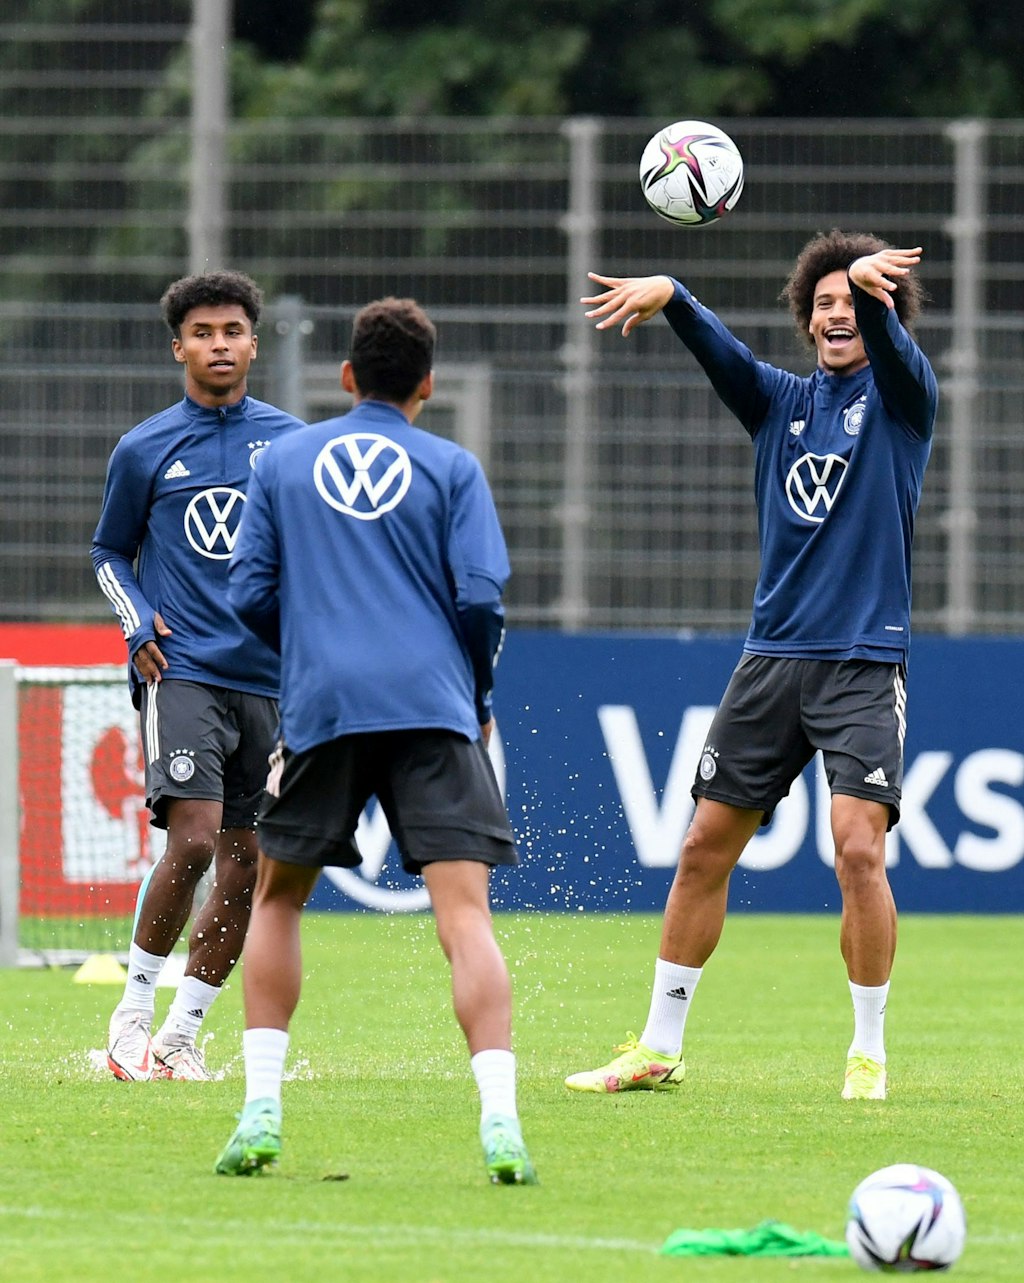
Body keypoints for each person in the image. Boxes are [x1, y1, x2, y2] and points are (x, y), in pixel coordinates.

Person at [564, 231, 937, 1102]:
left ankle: (868, 1051)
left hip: (860, 662)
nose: (837, 312)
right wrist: (676, 296)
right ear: (807, 322)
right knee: (700, 848)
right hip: (771, 661)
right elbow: (723, 358)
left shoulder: (906, 401)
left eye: (853, 301)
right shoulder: (778, 404)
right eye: (825, 303)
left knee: (857, 852)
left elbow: (894, 351)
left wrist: (879, 301)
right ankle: (658, 1046)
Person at [216, 298, 533, 1184]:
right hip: (433, 705)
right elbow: (481, 600)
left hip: (322, 707)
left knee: (278, 899)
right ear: (428, 385)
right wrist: (475, 690)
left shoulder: (282, 459)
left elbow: (247, 595)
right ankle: (501, 1121)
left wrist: (315, 645)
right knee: (463, 915)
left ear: (347, 376)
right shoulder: (453, 467)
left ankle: (261, 1108)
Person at [90, 271, 303, 1081]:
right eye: (203, 332)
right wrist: (135, 616)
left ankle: (181, 1037)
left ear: (254, 342)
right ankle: (132, 1013)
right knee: (194, 838)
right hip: (183, 671)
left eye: (233, 331)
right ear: (177, 345)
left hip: (271, 682)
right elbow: (108, 551)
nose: (219, 344)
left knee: (247, 862)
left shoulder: (291, 443)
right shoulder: (144, 446)